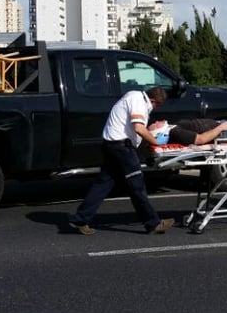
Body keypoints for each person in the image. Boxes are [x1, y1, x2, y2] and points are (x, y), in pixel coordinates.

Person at [68, 86, 175, 236]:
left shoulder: (132, 96)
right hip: (122, 148)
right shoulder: (139, 101)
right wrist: (158, 143)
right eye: (156, 105)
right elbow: (138, 127)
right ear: (154, 101)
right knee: (137, 186)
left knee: (103, 184)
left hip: (111, 145)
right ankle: (153, 223)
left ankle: (80, 218)